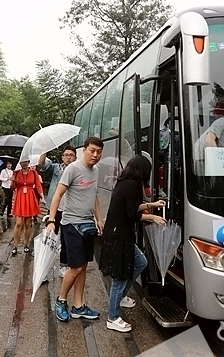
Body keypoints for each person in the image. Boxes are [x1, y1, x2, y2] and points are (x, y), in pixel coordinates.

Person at [99, 155, 166, 332]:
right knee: (119, 277)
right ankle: (112, 317)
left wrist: (151, 204)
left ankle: (120, 297)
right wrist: (153, 216)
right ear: (143, 171)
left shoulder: (125, 182)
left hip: (119, 234)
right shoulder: (133, 185)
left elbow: (131, 206)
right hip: (118, 236)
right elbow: (131, 215)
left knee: (140, 262)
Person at [45, 136, 105, 322]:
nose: (95, 155)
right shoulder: (73, 168)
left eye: (98, 152)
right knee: (76, 266)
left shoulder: (95, 171)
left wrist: (99, 219)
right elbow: (58, 194)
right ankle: (61, 300)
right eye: (92, 150)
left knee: (84, 266)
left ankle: (79, 306)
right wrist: (51, 220)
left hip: (88, 225)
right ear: (84, 150)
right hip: (71, 224)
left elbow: (93, 196)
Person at [38, 146, 77, 278]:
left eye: (71, 155)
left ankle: (63, 266)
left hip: (69, 209)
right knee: (48, 238)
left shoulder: (77, 170)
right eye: (66, 155)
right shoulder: (56, 168)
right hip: (54, 209)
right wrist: (45, 148)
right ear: (62, 157)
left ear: (75, 157)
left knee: (66, 240)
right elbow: (42, 164)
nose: (68, 157)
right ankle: (43, 269)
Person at [10, 160, 43, 255]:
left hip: (30, 197)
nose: (23, 164)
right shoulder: (16, 172)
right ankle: (15, 245)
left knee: (28, 223)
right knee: (19, 223)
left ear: (28, 162)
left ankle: (26, 244)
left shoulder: (33, 172)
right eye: (21, 162)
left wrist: (42, 196)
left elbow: (38, 185)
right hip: (20, 196)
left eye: (25, 162)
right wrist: (12, 180)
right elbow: (13, 187)